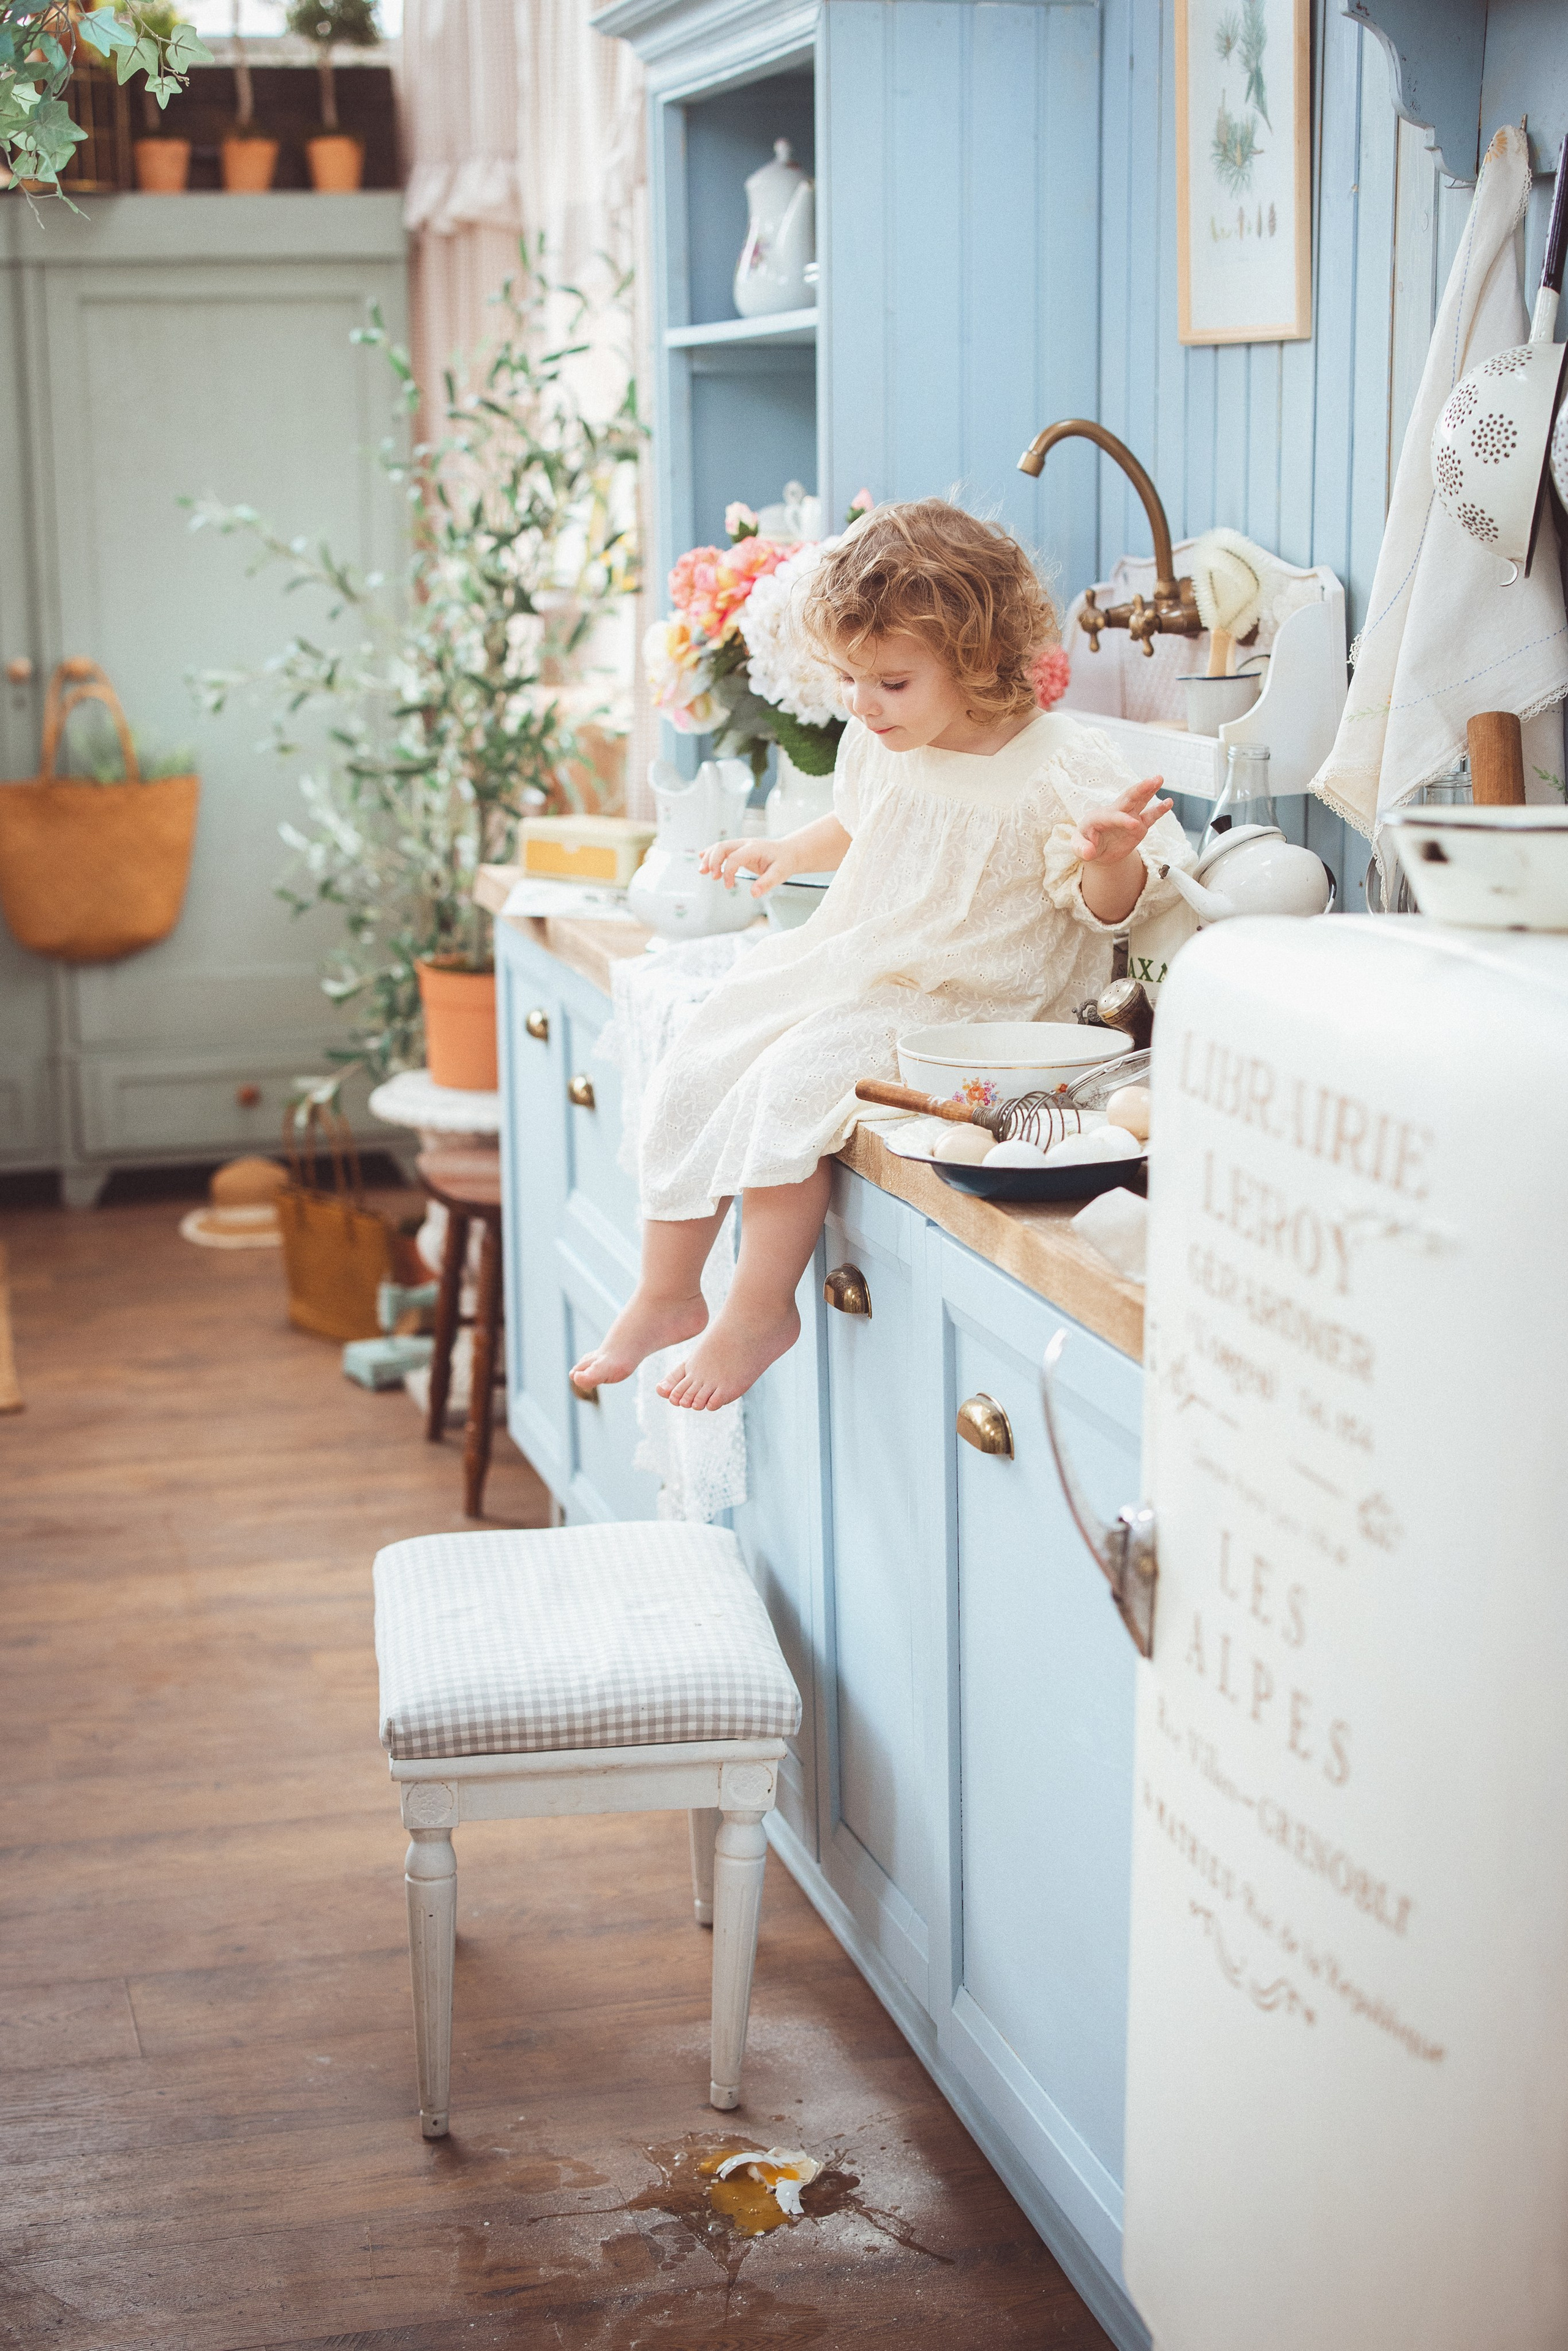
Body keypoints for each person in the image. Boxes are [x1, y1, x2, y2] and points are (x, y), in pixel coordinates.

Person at [570, 497, 1191, 1412]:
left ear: (978, 657)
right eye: (850, 679)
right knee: (709, 1042)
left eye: (891, 682)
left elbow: (1115, 913)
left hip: (980, 1007)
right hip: (866, 963)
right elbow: (861, 820)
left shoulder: (1061, 764)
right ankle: (667, 1290)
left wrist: (1111, 858)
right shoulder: (888, 737)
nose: (863, 705)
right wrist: (786, 850)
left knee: (794, 1084)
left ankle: (757, 1309)